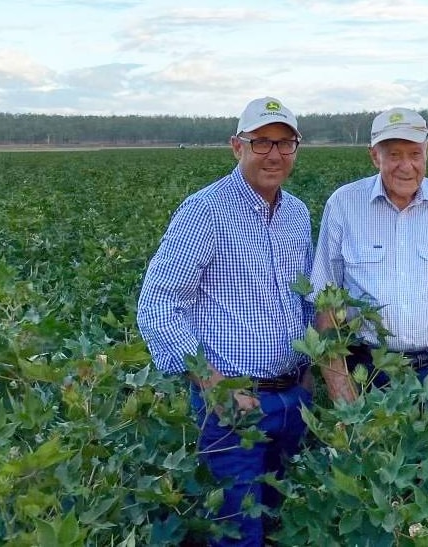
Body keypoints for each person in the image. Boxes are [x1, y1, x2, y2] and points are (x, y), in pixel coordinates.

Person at [136, 97, 313, 546]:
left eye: (285, 142)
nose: (274, 153)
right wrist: (213, 384)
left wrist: (309, 376)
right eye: (261, 142)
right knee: (236, 533)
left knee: (281, 524)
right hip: (233, 403)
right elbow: (157, 304)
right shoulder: (206, 211)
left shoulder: (296, 213)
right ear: (237, 146)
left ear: (296, 148)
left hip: (292, 400)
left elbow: (304, 299)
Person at [310, 107, 428, 407]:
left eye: (414, 153)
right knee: (373, 454)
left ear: (427, 152)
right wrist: (345, 397)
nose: (406, 165)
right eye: (394, 154)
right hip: (370, 374)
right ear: (375, 156)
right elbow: (325, 304)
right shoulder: (344, 205)